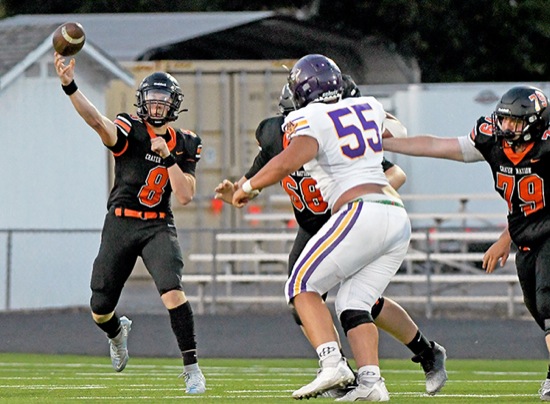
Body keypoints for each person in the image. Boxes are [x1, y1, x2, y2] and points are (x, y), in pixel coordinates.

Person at [215, 79, 447, 396]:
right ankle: (345, 372)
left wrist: (369, 199)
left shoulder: (332, 131)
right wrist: (236, 192)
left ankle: (421, 352)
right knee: (312, 300)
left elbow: (395, 171)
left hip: (348, 218)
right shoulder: (276, 134)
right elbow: (264, 172)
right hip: (313, 227)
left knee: (360, 301)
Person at [383, 85, 550, 401]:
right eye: (504, 119)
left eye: (515, 121)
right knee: (540, 311)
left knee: (548, 302)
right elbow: (436, 145)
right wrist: (386, 143)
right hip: (525, 234)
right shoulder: (493, 141)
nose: (507, 127)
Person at [54, 52, 206, 394]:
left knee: (173, 291)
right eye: (152, 100)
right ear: (142, 102)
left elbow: (185, 195)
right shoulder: (129, 128)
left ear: (174, 105)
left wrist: (168, 157)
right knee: (99, 307)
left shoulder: (185, 143)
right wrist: (70, 86)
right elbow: (97, 121)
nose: (157, 106)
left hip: (157, 225)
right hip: (121, 223)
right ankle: (116, 333)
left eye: (163, 101)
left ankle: (192, 369)